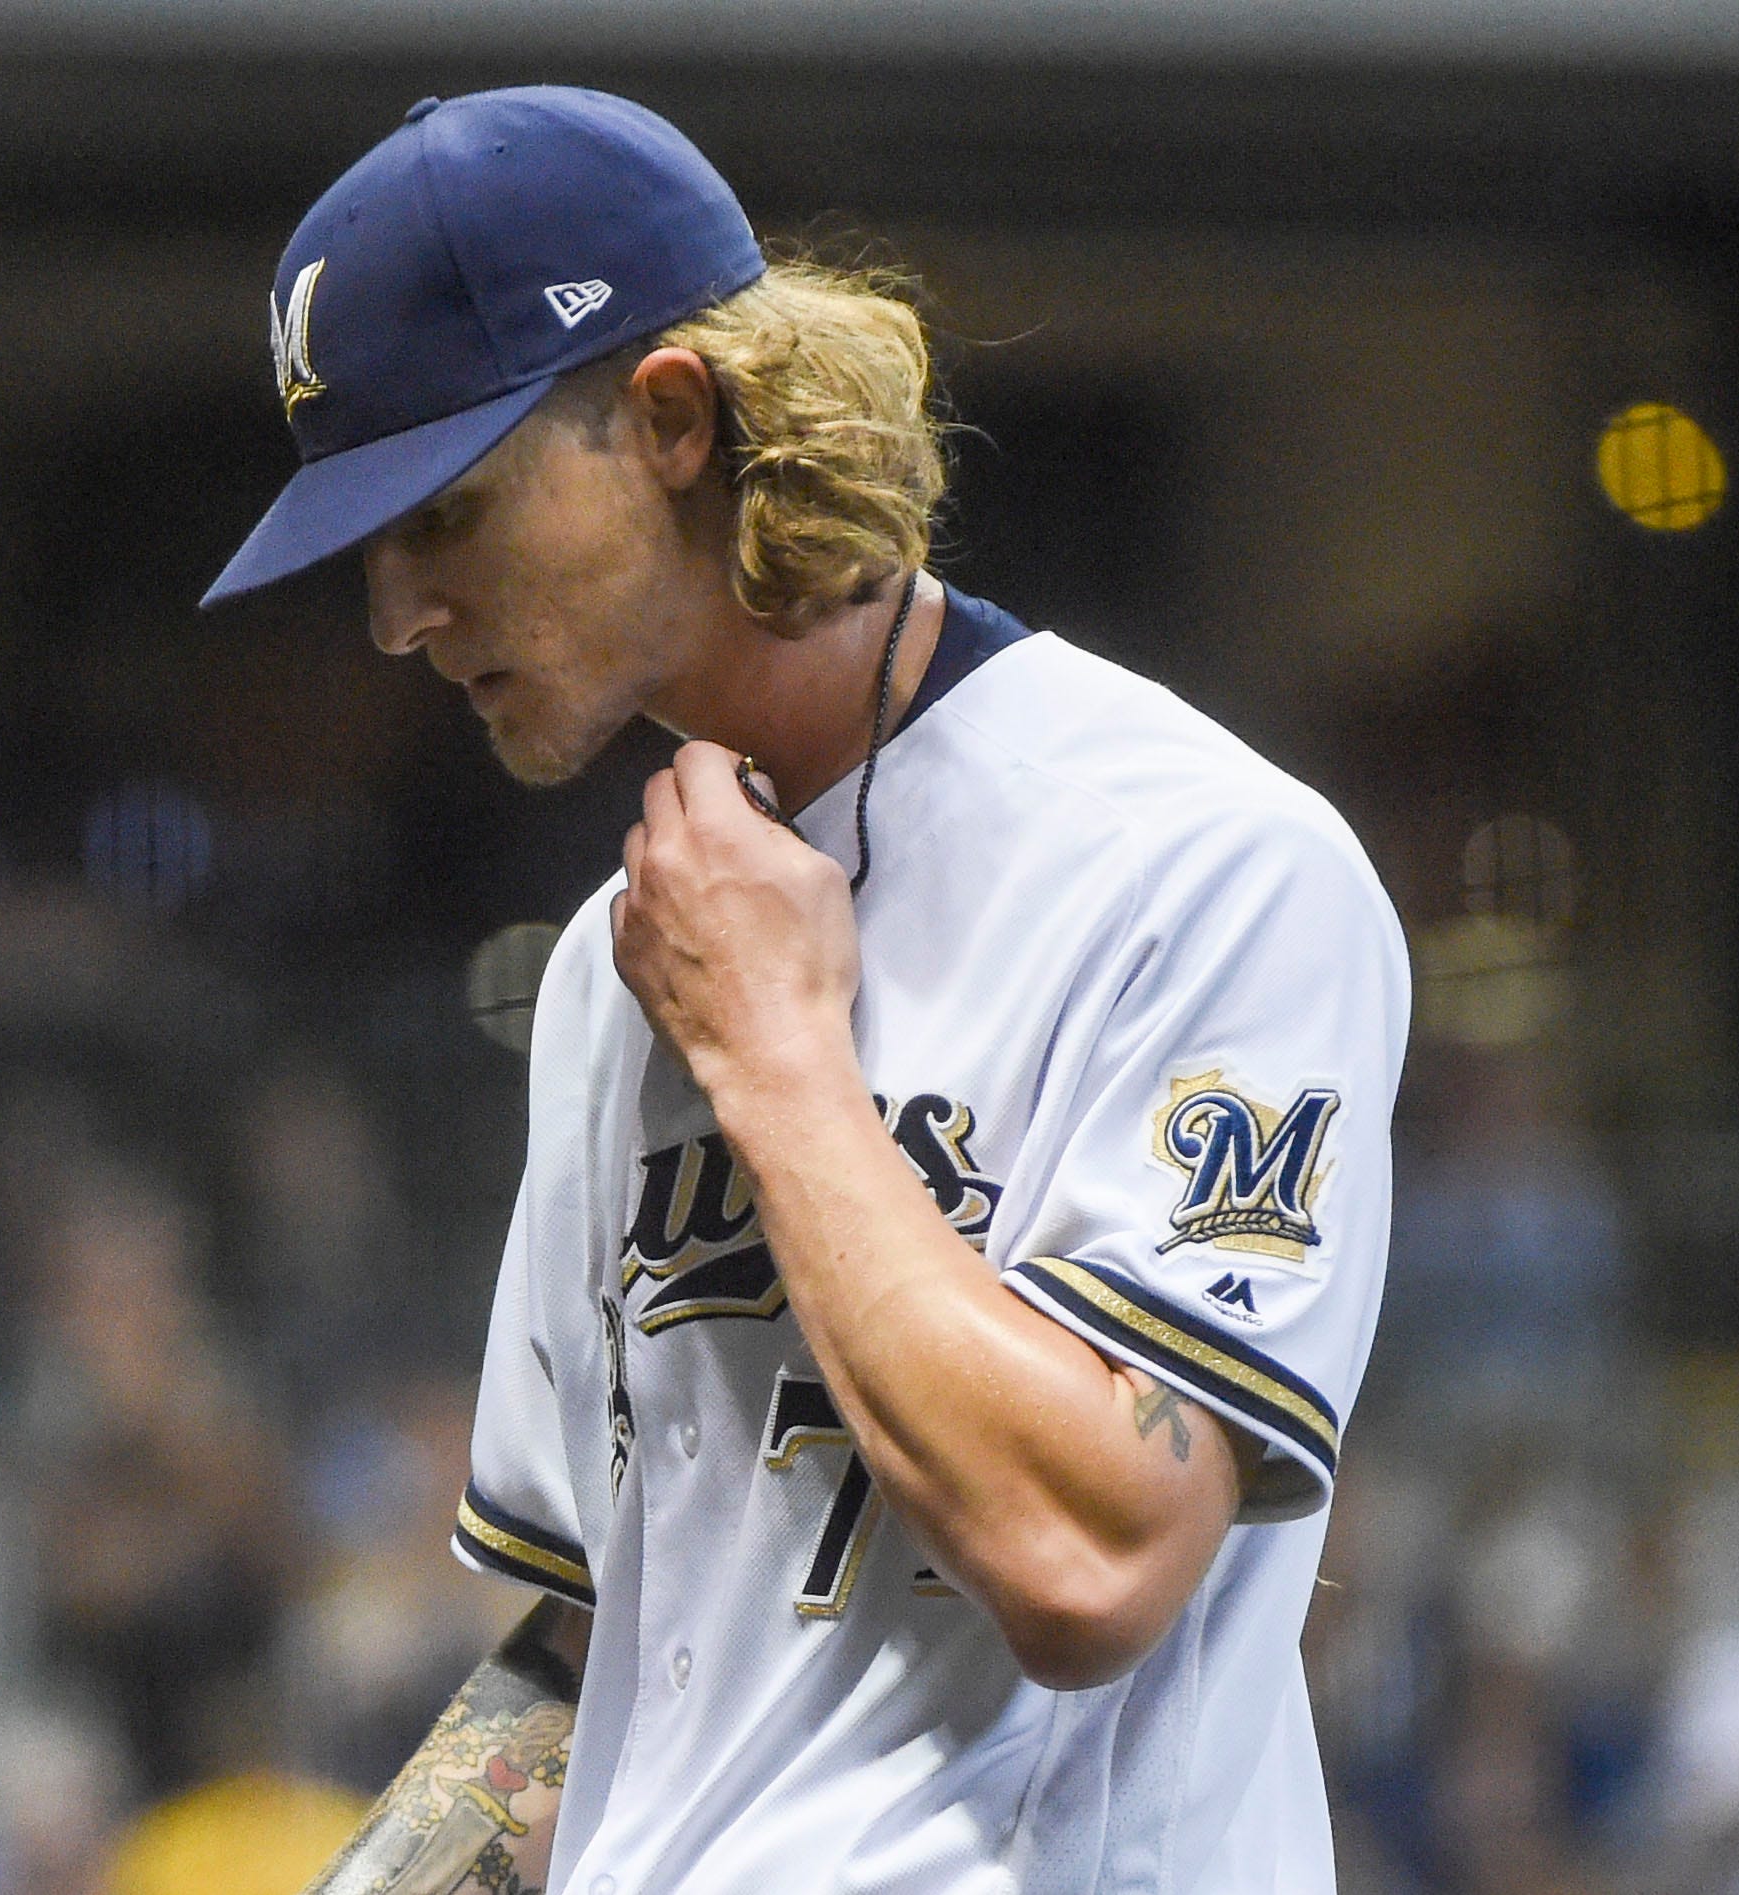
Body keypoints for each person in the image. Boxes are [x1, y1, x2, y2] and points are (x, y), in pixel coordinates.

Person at [201, 85, 1409, 1895]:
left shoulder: (1201, 863)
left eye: (446, 514)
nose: (394, 615)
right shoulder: (631, 957)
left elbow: (1093, 1562)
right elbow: (581, 1650)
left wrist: (775, 1050)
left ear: (670, 418)